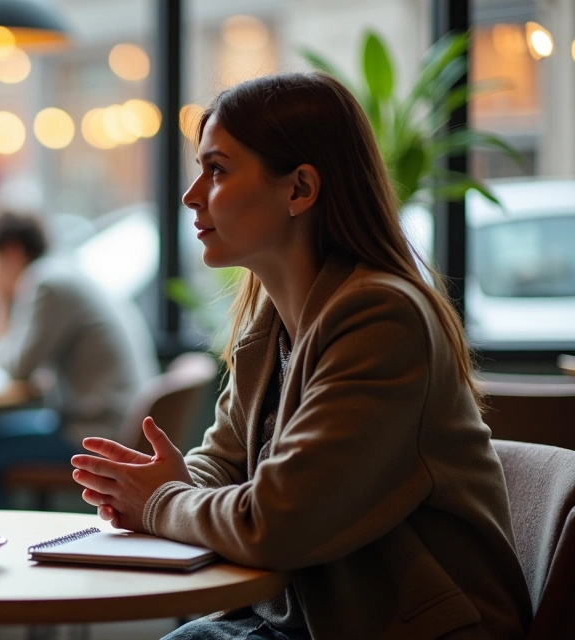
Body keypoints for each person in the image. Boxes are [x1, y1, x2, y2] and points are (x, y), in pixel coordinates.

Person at [70, 72, 532, 639]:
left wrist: (162, 501)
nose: (191, 195)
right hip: (301, 620)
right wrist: (161, 483)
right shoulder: (269, 321)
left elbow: (277, 523)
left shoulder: (381, 319)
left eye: (217, 169)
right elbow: (227, 464)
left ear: (298, 189)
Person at [0, 212, 157, 505]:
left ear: (11, 253)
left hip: (97, 433)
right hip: (116, 422)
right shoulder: (65, 271)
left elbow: (15, 368)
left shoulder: (47, 283)